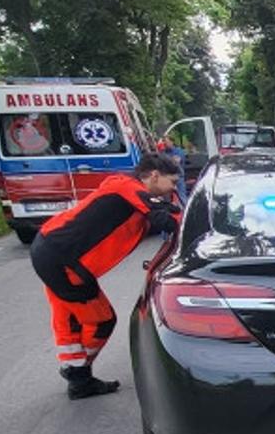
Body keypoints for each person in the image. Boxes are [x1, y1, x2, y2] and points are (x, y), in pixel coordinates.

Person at [30, 153, 181, 399]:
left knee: (69, 317)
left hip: (52, 249)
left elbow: (152, 217)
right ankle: (78, 375)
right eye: (172, 182)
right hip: (63, 260)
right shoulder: (127, 187)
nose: (173, 189)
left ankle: (76, 374)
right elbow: (164, 218)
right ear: (154, 175)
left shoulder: (127, 192)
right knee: (101, 320)